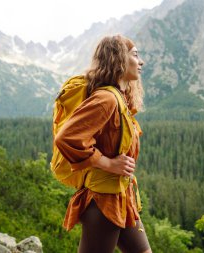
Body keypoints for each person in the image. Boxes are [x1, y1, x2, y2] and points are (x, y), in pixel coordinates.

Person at [54, 35, 151, 253]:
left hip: (120, 195)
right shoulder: (106, 99)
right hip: (103, 199)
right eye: (135, 55)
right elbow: (66, 137)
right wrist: (108, 163)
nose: (141, 61)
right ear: (119, 59)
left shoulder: (119, 97)